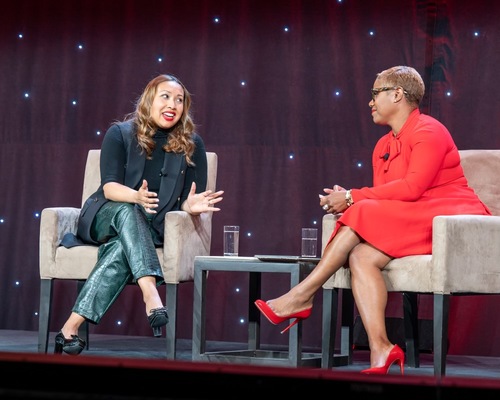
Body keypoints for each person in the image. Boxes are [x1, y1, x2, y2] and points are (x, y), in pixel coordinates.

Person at [255, 65, 491, 375]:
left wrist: (353, 198)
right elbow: (386, 196)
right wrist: (354, 200)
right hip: (414, 215)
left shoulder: (429, 131)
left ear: (397, 94)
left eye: (375, 93)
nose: (370, 102)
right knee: (361, 255)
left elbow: (413, 187)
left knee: (362, 210)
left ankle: (301, 295)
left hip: (452, 217)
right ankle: (381, 348)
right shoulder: (382, 146)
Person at [55, 73, 223, 355]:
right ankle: (151, 292)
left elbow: (185, 200)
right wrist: (136, 197)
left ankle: (69, 328)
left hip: (148, 229)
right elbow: (109, 188)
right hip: (104, 216)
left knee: (123, 247)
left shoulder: (191, 144)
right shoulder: (120, 133)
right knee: (128, 211)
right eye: (165, 97)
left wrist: (189, 207)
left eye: (180, 100)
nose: (173, 104)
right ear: (149, 100)